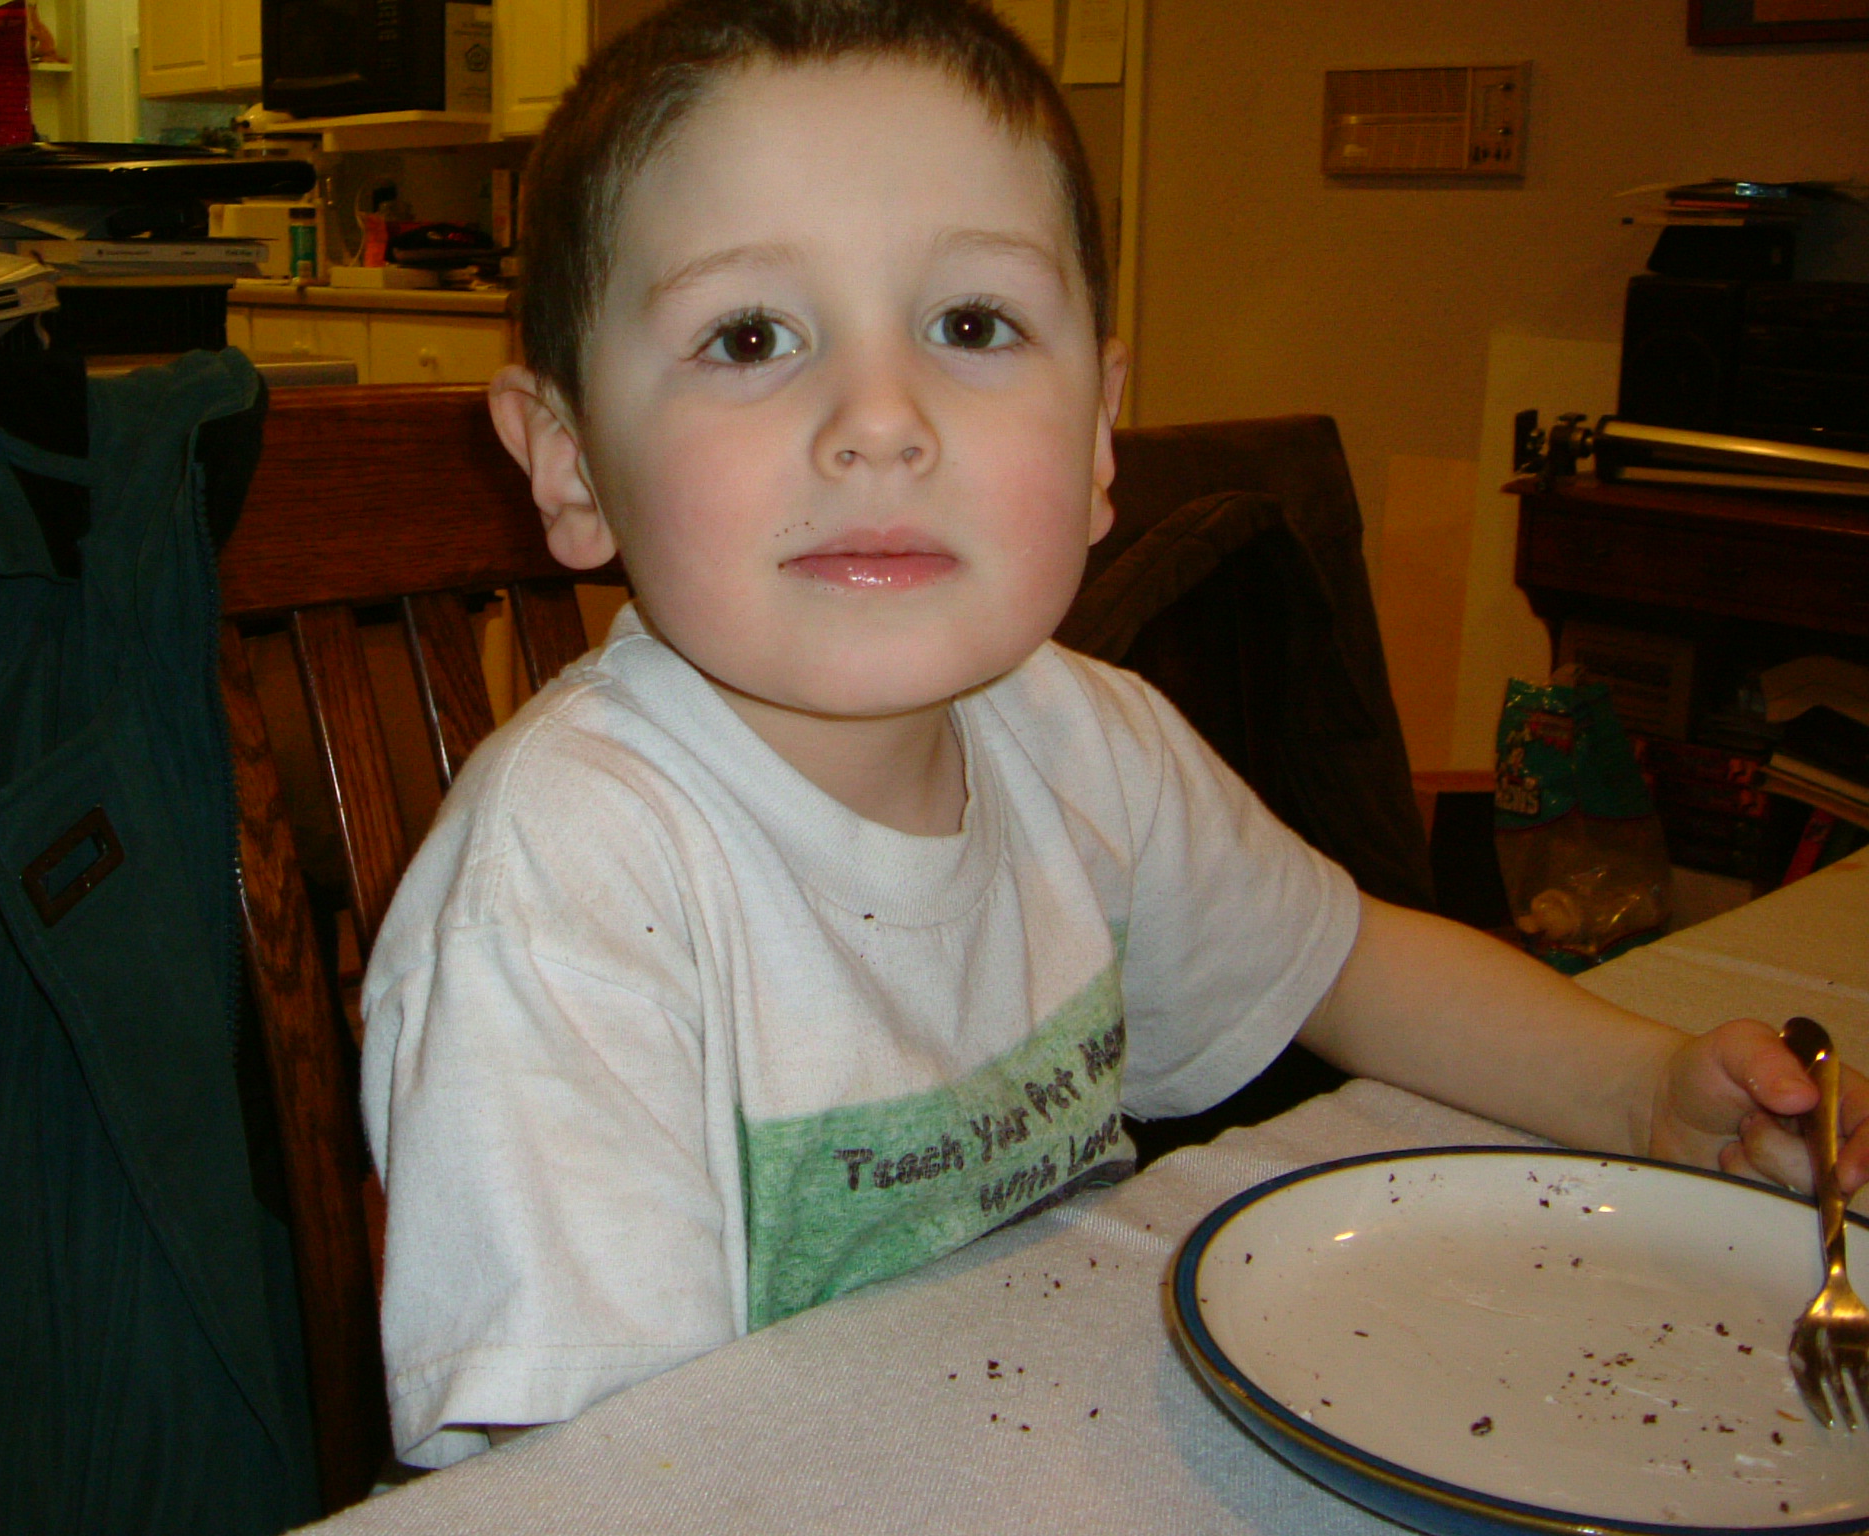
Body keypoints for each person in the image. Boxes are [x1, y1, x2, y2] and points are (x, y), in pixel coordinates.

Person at [359, 0, 1869, 1470]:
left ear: (1097, 436)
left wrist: (1643, 1092)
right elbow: (596, 1480)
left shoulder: (1078, 738)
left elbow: (1347, 963)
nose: (881, 419)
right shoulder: (566, 888)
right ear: (570, 464)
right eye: (750, 335)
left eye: (971, 324)